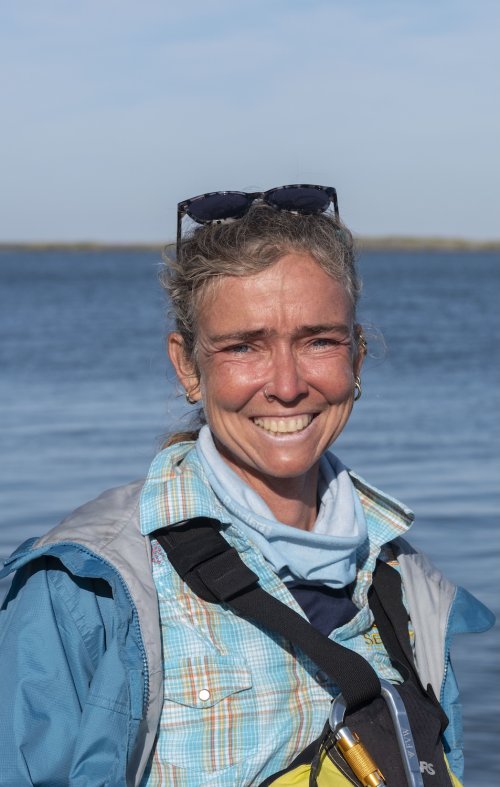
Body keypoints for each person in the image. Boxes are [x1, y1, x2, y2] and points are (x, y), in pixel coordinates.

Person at [0, 185, 494, 787]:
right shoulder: (88, 590)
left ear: (357, 358)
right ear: (187, 365)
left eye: (319, 340)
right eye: (243, 346)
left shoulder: (406, 582)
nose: (286, 385)